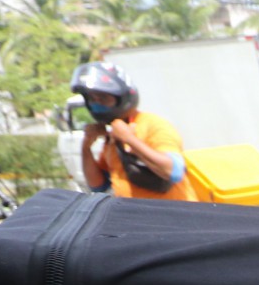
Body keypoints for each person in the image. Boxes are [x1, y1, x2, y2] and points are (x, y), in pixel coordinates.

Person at [71, 62, 197, 202]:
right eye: (92, 100)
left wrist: (130, 140)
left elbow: (173, 171)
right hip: (138, 216)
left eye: (103, 99)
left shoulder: (153, 124)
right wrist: (86, 145)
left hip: (172, 215)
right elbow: (98, 185)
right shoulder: (113, 136)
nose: (97, 104)